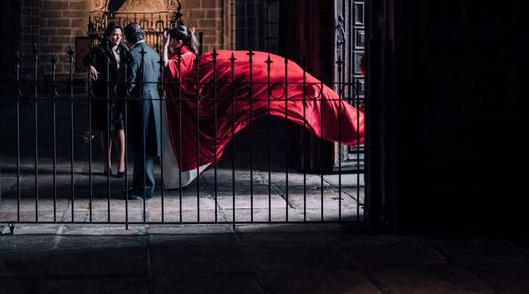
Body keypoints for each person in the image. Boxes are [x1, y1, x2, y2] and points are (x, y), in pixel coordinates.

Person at [161, 25, 364, 188]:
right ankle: (352, 121)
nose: (168, 44)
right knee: (292, 82)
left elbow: (171, 74)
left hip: (251, 80)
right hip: (254, 77)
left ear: (178, 41)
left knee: (294, 84)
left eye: (170, 40)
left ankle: (354, 123)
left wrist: (164, 47)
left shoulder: (185, 57)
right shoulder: (191, 57)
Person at [83, 22, 130, 177]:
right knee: (105, 129)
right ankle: (107, 163)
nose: (117, 37)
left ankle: (121, 163)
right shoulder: (100, 50)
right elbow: (86, 58)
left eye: (120, 35)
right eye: (115, 34)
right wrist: (90, 66)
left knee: (120, 127)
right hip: (104, 93)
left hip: (119, 95)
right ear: (109, 35)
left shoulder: (125, 50)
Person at [123, 22, 162, 200]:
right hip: (153, 100)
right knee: (144, 145)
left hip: (140, 102)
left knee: (141, 146)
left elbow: (129, 82)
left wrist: (124, 95)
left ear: (128, 38)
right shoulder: (154, 53)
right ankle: (138, 185)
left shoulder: (133, 54)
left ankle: (144, 188)